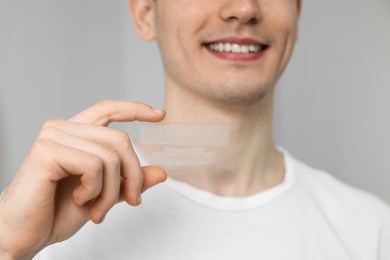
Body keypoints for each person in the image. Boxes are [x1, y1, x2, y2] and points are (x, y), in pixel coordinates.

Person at [1, 0, 389, 259]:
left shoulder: (372, 232)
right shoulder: (42, 231)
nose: (243, 8)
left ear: (298, 13)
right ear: (145, 14)